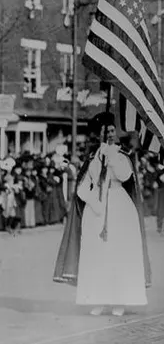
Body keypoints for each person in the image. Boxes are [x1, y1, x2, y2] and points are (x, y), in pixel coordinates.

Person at [53, 111, 151, 316]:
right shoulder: (92, 157)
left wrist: (112, 157)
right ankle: (98, 298)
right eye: (105, 131)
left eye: (112, 131)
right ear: (98, 134)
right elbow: (83, 185)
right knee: (96, 255)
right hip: (96, 209)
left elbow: (125, 176)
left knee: (118, 254)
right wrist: (92, 201)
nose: (109, 134)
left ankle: (119, 301)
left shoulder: (122, 156)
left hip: (118, 205)